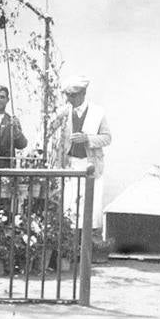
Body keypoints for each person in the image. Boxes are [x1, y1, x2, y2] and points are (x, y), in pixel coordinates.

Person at [50, 76, 111, 231]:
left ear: (83, 93)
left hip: (90, 165)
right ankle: (71, 243)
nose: (70, 99)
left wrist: (87, 139)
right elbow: (48, 129)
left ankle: (86, 245)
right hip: (70, 164)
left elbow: (107, 138)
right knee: (69, 206)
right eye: (68, 95)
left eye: (74, 95)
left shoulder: (97, 113)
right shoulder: (65, 112)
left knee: (89, 207)